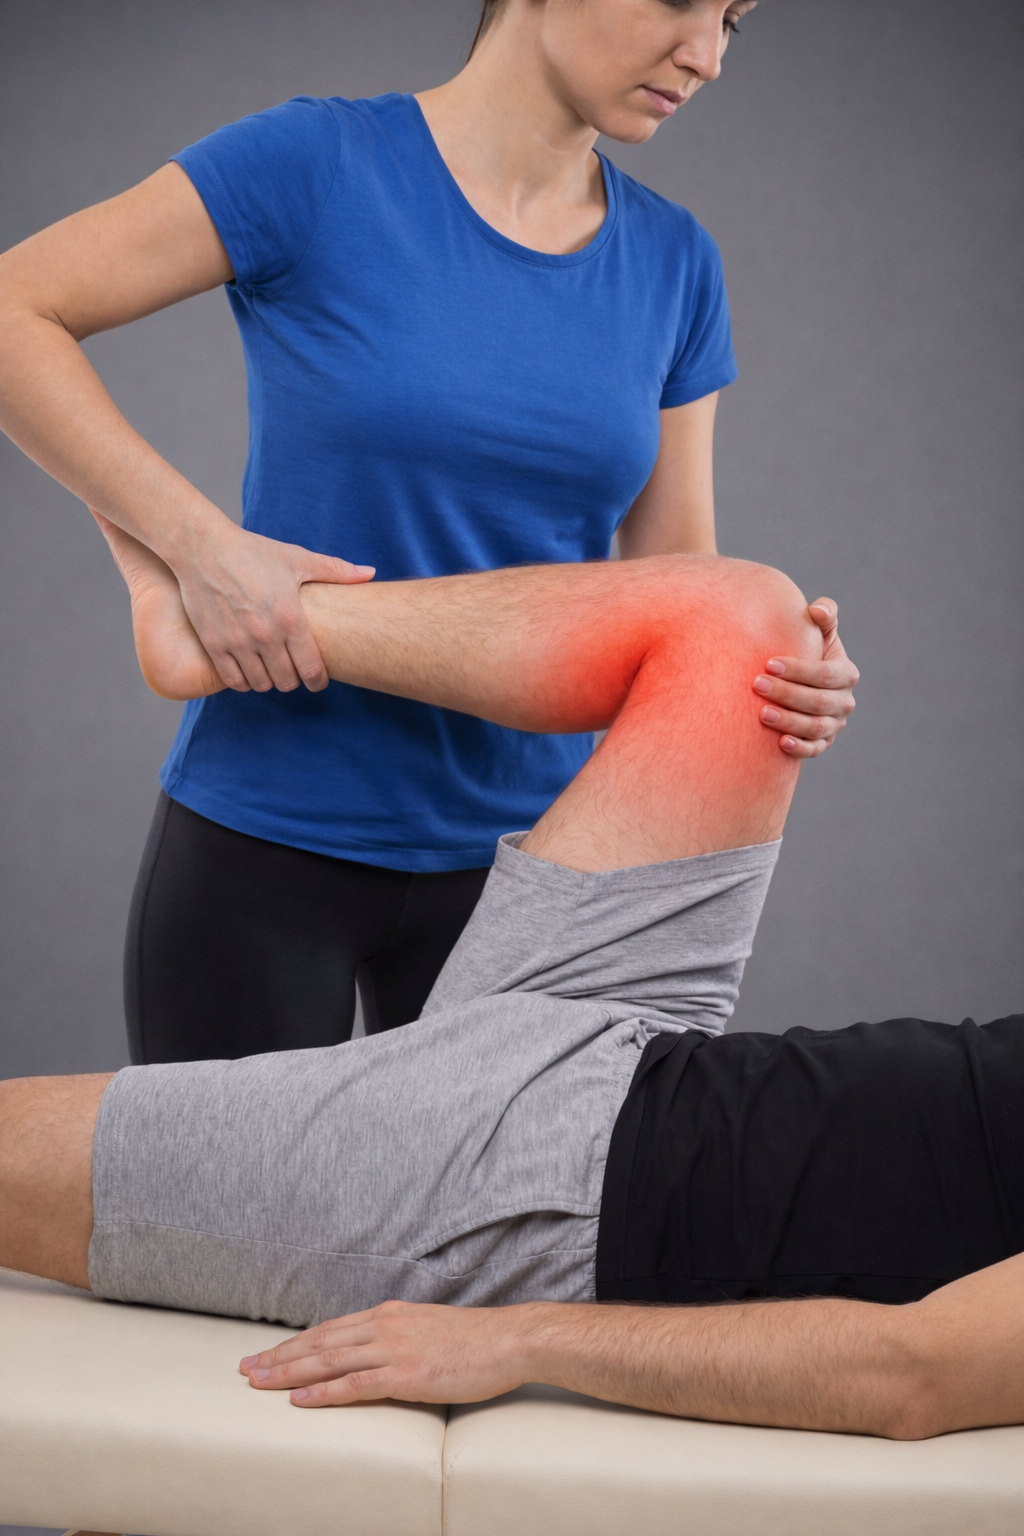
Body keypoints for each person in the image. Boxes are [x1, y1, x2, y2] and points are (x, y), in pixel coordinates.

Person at [2, 536, 1020, 1440]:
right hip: (649, 1030)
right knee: (754, 626)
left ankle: (233, 615)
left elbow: (910, 1377)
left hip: (560, 1180)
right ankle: (227, 620)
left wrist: (526, 1341)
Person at [0, 0, 859, 1063]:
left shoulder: (677, 264)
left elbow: (674, 581)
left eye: (736, 21)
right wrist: (200, 548)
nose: (709, 55)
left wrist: (773, 670)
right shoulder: (316, 163)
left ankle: (206, 633)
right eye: (683, 1)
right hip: (265, 838)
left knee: (488, 1234)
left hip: (534, 872)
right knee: (226, 1230)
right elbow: (13, 308)